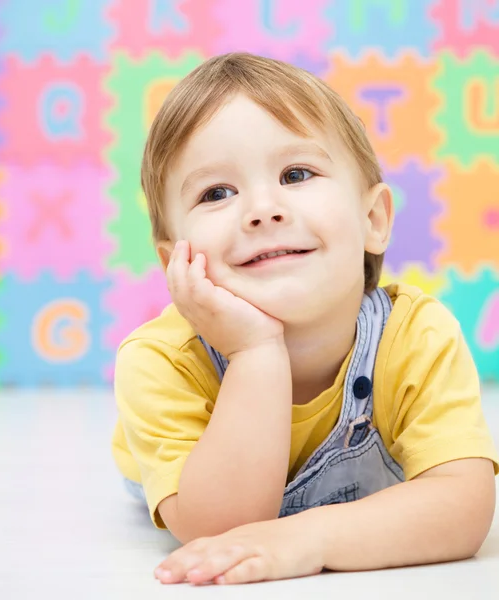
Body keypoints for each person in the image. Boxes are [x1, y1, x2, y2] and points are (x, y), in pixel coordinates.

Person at [111, 52, 498, 586]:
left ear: (373, 220)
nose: (263, 209)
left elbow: (464, 505)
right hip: (184, 478)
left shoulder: (417, 335)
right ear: (174, 260)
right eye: (217, 193)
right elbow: (222, 532)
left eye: (297, 173)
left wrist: (309, 539)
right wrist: (254, 351)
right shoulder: (160, 363)